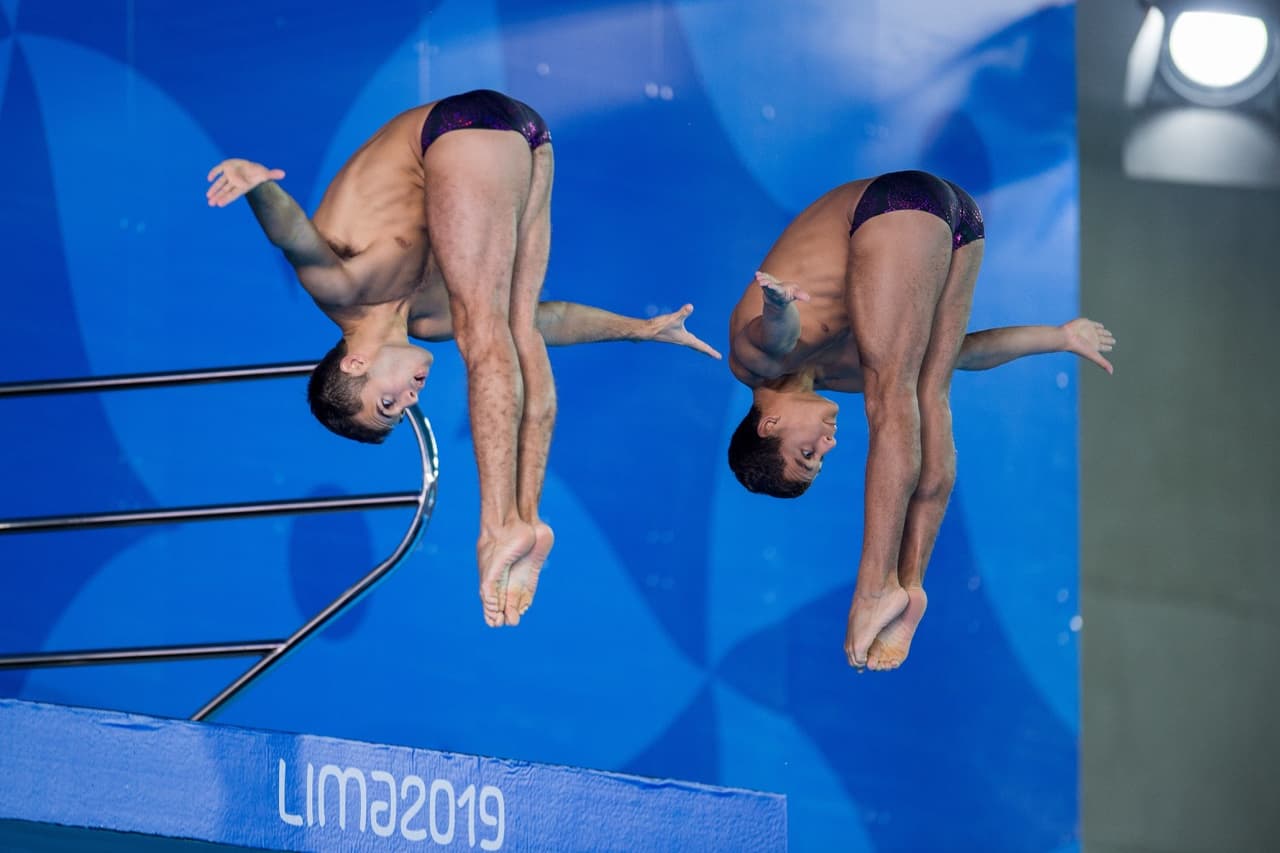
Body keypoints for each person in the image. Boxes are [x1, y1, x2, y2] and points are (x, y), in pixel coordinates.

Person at [206, 89, 719, 630]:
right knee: (518, 328)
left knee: (486, 333)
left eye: (388, 402)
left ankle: (496, 529)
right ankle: (526, 517)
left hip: (456, 129)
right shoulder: (426, 320)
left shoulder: (342, 289)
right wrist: (639, 330)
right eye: (403, 408)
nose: (412, 396)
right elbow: (554, 318)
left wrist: (257, 185)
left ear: (354, 365)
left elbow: (293, 237)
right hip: (529, 137)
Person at [726, 170, 1114, 671]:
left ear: (768, 426)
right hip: (959, 220)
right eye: (818, 461)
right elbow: (963, 353)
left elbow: (774, 336)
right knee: (930, 390)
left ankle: (872, 591)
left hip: (895, 206)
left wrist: (779, 306)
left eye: (807, 454)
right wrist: (1057, 337)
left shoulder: (754, 364)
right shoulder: (839, 373)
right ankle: (908, 584)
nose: (827, 447)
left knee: (894, 401)